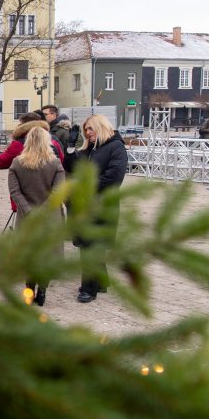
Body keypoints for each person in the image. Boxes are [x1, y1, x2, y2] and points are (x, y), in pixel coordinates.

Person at [8, 127, 66, 306]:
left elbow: (14, 191)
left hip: (27, 217)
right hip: (50, 217)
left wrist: (29, 210)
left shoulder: (17, 163)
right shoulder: (55, 163)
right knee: (47, 254)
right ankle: (43, 290)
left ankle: (29, 290)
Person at [74, 115, 128, 303]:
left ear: (101, 127)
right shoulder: (90, 149)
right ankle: (102, 282)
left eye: (91, 129)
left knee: (91, 246)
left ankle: (88, 289)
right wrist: (72, 148)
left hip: (102, 204)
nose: (88, 133)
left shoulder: (116, 147)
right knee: (91, 244)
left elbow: (113, 178)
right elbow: (72, 166)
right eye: (86, 130)